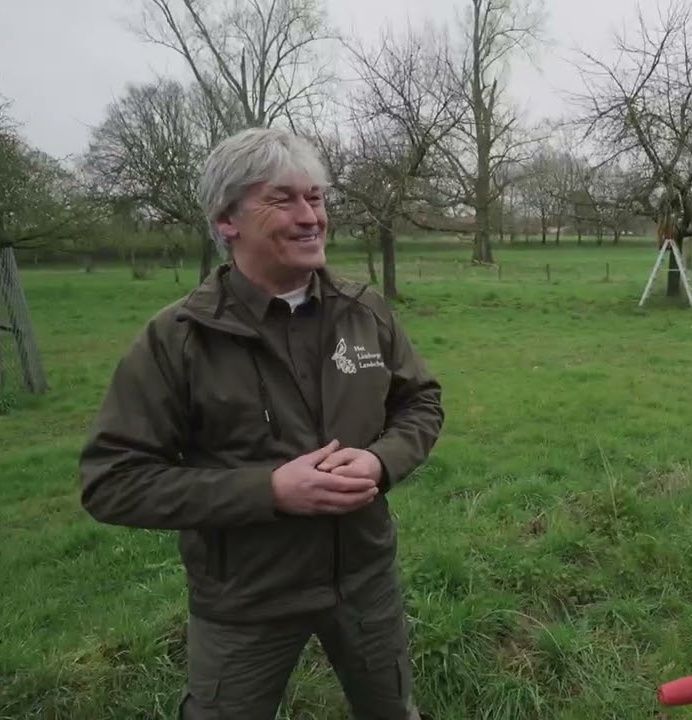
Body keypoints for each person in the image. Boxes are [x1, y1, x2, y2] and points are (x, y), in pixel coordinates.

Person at [79, 126, 444, 720]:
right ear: (227, 220)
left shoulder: (363, 310)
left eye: (316, 198)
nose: (310, 217)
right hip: (245, 598)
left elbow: (421, 402)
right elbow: (112, 481)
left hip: (364, 578)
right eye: (283, 199)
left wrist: (381, 461)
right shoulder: (179, 339)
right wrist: (269, 491)